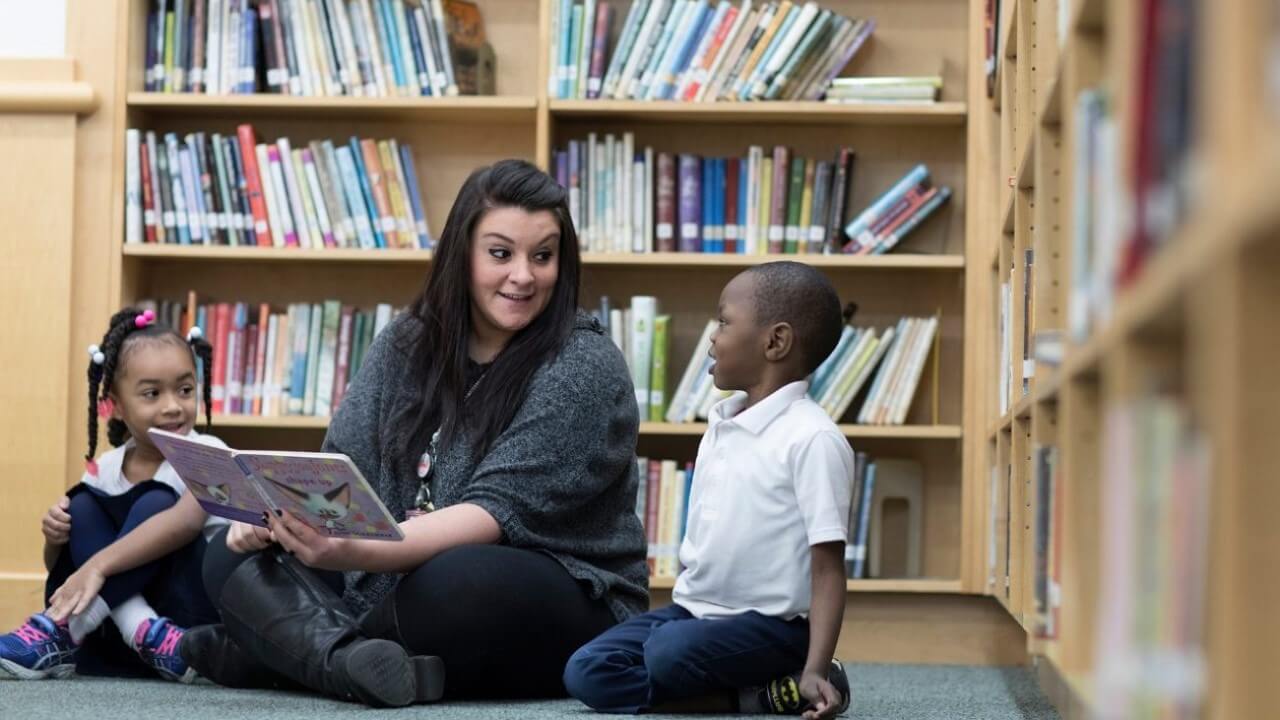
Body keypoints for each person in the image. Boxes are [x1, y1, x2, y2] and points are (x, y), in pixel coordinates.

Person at [182, 159, 649, 707]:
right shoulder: (408, 340)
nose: (524, 275)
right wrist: (281, 524)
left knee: (461, 580)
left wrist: (343, 550)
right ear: (463, 254)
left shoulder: (583, 364)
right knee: (227, 553)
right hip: (381, 579)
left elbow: (491, 516)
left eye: (542, 256)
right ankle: (347, 662)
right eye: (501, 254)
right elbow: (339, 470)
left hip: (552, 587)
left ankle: (286, 652)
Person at [563, 261, 856, 719]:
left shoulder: (812, 439)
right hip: (695, 613)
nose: (712, 336)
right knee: (586, 670)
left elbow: (827, 569)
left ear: (775, 341)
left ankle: (804, 676)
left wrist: (816, 664)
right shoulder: (720, 426)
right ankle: (754, 698)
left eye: (723, 321)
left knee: (666, 653)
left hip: (774, 629)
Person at [0, 308, 227, 682]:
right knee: (81, 506)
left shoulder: (209, 454)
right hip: (125, 637)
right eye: (152, 394)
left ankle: (64, 627)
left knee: (156, 502)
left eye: (185, 390)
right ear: (116, 406)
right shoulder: (106, 467)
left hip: (187, 617)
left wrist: (97, 566)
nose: (173, 406)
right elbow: (63, 563)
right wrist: (54, 538)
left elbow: (184, 524)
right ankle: (139, 629)